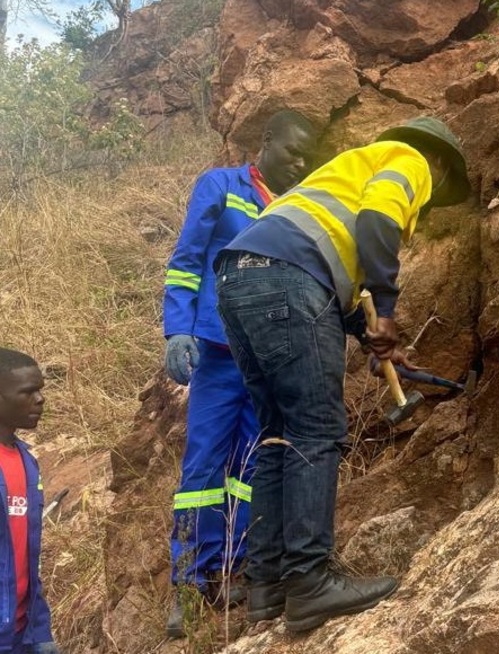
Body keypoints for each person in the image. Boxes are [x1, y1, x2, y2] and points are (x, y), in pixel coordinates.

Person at [214, 116, 471, 633]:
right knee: (316, 428)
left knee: (278, 435)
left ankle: (268, 585)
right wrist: (391, 311)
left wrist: (375, 340)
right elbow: (377, 221)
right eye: (437, 193)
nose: (428, 199)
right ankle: (310, 582)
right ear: (440, 165)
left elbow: (331, 276)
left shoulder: (344, 173)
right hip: (289, 279)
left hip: (240, 278)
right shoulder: (413, 159)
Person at [161, 110, 319, 638]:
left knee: (251, 466)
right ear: (267, 141)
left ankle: (234, 568)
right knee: (201, 467)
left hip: (269, 355)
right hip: (217, 351)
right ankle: (187, 579)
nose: (299, 163)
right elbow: (187, 260)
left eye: (307, 158)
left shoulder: (297, 205)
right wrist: (177, 327)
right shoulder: (221, 186)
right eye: (293, 151)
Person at [0, 348, 60, 654]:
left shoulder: (27, 462)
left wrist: (39, 630)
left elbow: (26, 554)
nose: (40, 399)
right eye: (28, 391)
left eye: (40, 390)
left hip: (24, 633)